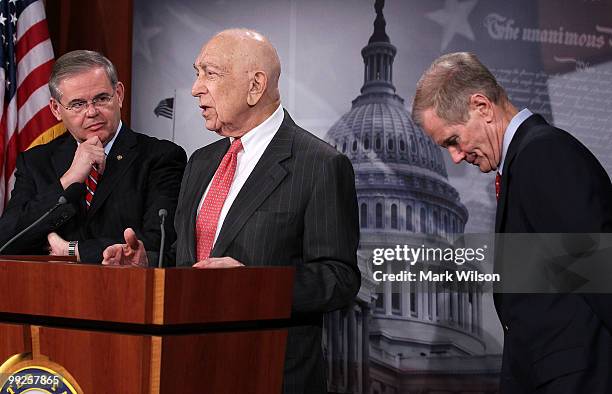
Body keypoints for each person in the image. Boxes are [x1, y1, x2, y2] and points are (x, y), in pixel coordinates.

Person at [102, 29, 360, 394]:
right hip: (188, 366)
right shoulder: (201, 161)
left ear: (255, 86)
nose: (195, 88)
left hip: (267, 373)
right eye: (196, 73)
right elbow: (190, 260)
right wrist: (148, 267)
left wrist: (252, 286)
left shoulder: (320, 164)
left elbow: (340, 278)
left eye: (210, 73)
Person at [412, 52, 612, 393]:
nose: (456, 157)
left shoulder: (543, 155)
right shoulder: (524, 161)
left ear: (482, 107)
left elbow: (602, 277)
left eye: (453, 141)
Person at [0, 50, 186, 264]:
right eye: (78, 104)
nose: (91, 112)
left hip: (126, 291)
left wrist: (73, 249)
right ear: (56, 109)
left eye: (101, 99)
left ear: (119, 95)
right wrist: (69, 180)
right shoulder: (36, 162)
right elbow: (7, 239)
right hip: (50, 291)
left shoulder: (160, 157)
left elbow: (159, 243)